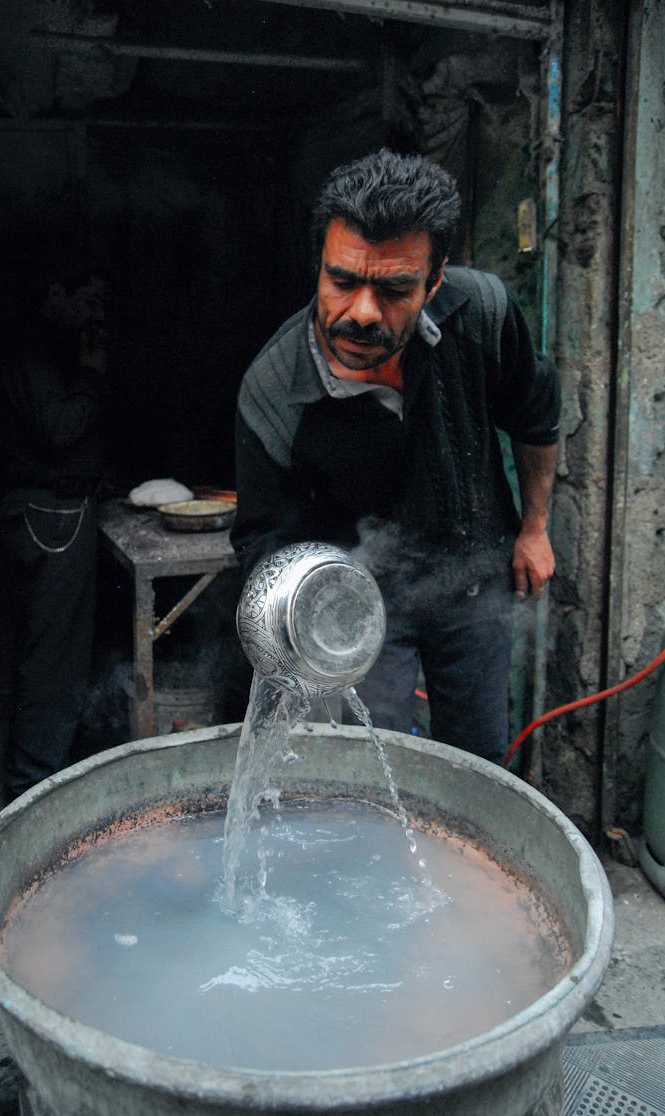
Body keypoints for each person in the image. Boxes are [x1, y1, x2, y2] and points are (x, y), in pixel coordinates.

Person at [231, 150, 560, 763]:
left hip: (473, 578)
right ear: (319, 268)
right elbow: (261, 546)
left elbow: (535, 410)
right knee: (369, 776)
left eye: (393, 289)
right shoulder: (274, 390)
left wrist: (536, 527)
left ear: (434, 282)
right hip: (357, 608)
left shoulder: (480, 312)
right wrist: (313, 636)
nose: (360, 312)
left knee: (481, 770)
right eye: (343, 281)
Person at [0, 262, 110, 799]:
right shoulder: (32, 349)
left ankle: (41, 777)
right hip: (50, 520)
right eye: (87, 301)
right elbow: (60, 430)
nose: (94, 316)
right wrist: (90, 371)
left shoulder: (38, 345)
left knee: (52, 650)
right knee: (52, 658)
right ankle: (32, 790)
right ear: (54, 289)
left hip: (49, 513)